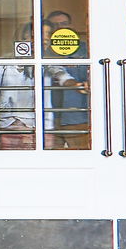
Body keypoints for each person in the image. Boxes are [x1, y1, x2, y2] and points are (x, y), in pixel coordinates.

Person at [42, 10, 90, 149]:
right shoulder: (43, 50)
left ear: (71, 25)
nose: (60, 28)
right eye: (55, 25)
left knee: (82, 158)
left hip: (77, 115)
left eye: (64, 24)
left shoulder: (85, 50)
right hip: (49, 117)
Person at [0, 23, 36, 148]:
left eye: (33, 38)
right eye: (24, 39)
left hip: (32, 123)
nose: (29, 42)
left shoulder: (44, 64)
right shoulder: (5, 62)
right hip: (7, 122)